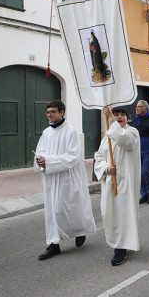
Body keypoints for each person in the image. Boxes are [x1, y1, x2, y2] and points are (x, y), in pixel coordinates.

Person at [34, 100, 96, 261]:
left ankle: (80, 231)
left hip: (67, 177)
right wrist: (40, 160)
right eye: (48, 112)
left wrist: (49, 161)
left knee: (70, 207)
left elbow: (73, 157)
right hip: (50, 178)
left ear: (62, 112)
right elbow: (40, 151)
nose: (50, 114)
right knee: (52, 211)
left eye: (53, 111)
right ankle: (54, 244)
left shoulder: (71, 131)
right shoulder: (46, 132)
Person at [94, 106, 141, 266]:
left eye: (122, 115)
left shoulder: (132, 132)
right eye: (116, 115)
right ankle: (116, 242)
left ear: (128, 118)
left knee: (123, 214)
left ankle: (121, 248)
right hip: (110, 181)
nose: (119, 117)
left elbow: (124, 141)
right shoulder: (107, 136)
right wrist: (106, 168)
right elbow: (98, 156)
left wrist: (111, 119)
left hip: (126, 182)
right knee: (109, 213)